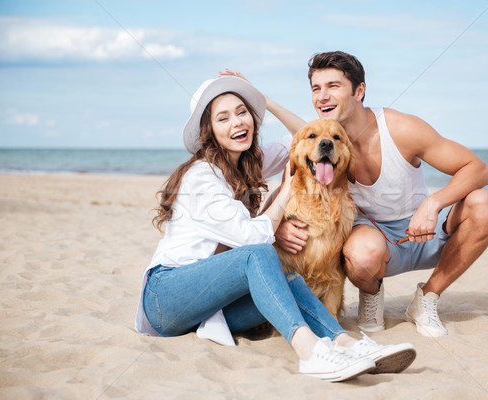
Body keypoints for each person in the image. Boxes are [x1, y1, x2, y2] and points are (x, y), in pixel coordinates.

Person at [134, 74, 417, 382]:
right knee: (258, 255)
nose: (237, 122)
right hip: (167, 299)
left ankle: (345, 343)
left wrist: (263, 98)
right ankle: (310, 353)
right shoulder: (201, 177)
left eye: (243, 112)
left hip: (214, 306)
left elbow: (305, 135)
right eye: (223, 118)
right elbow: (250, 239)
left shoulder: (248, 163)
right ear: (210, 131)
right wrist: (289, 188)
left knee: (291, 282)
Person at [271, 51, 488, 337]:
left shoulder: (401, 128)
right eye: (316, 89)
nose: (322, 96)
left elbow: (479, 169)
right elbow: (292, 172)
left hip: (426, 229)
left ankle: (427, 298)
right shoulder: (327, 143)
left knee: (487, 205)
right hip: (375, 241)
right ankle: (371, 295)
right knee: (361, 253)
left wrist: (434, 203)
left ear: (359, 91)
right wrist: (277, 225)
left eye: (333, 86)